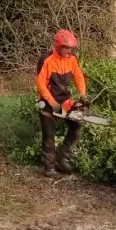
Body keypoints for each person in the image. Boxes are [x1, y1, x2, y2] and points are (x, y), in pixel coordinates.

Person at [35, 29, 88, 177]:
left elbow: (78, 76)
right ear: (58, 46)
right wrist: (52, 104)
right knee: (49, 134)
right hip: (47, 100)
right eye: (66, 48)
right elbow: (40, 84)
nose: (69, 51)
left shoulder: (71, 58)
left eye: (70, 48)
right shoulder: (46, 59)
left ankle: (62, 157)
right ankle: (49, 167)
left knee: (76, 125)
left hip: (63, 98)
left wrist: (82, 93)